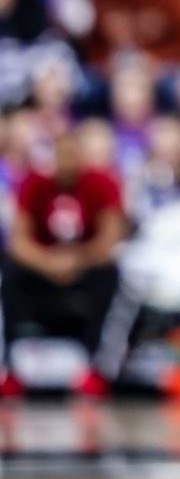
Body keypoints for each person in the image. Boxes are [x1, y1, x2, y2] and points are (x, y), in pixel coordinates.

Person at [0, 125, 124, 394]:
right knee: (9, 274)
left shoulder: (102, 183)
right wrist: (48, 262)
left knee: (112, 274)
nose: (67, 162)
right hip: (42, 267)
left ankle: (96, 366)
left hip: (85, 266)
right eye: (61, 154)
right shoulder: (34, 184)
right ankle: (9, 367)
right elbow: (18, 241)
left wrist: (77, 259)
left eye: (72, 154)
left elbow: (111, 237)